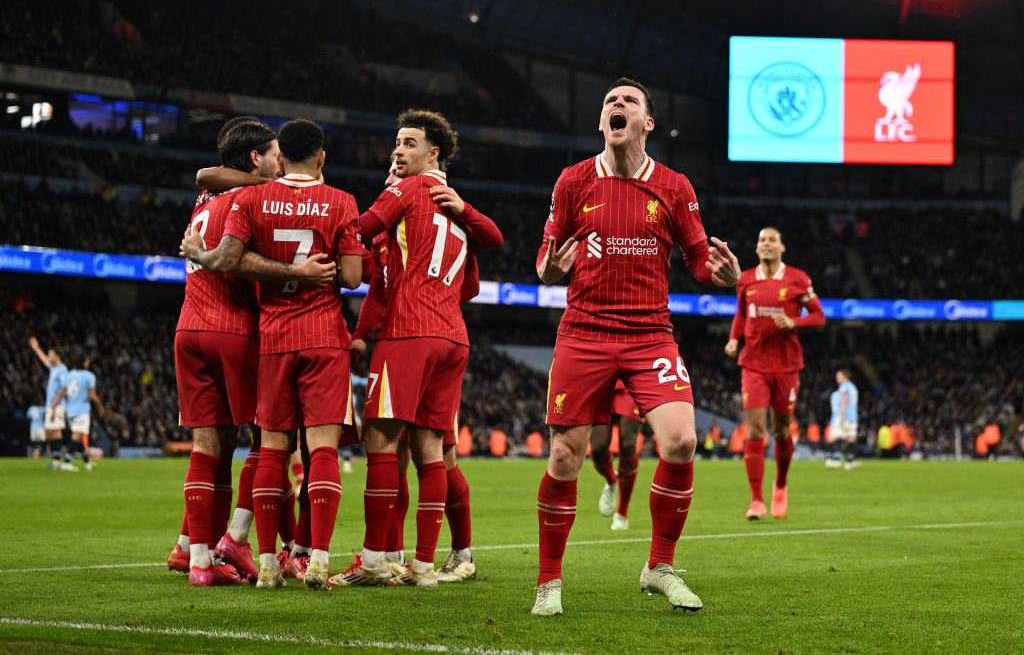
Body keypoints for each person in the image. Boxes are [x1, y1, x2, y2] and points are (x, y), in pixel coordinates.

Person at [531, 78, 740, 616]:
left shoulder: (673, 186)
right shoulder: (574, 181)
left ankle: (660, 566)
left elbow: (696, 260)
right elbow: (547, 260)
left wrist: (720, 276)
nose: (616, 106)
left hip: (650, 335)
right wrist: (551, 270)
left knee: (681, 443)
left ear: (647, 123)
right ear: (602, 124)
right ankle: (549, 582)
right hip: (584, 331)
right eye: (609, 102)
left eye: (628, 101)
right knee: (563, 455)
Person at [182, 117, 363, 590]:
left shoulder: (248, 198)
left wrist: (198, 255)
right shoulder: (342, 200)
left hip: (263, 335)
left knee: (263, 449)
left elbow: (229, 257)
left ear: (280, 158)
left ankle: (241, 560)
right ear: (321, 158)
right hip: (314, 334)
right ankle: (313, 558)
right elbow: (350, 277)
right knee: (317, 448)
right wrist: (310, 271)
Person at [334, 110, 501, 589]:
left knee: (383, 444)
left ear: (433, 153)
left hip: (409, 334)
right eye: (395, 144)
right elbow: (466, 277)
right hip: (452, 337)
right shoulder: (452, 210)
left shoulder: (407, 191)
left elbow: (361, 229)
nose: (397, 151)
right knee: (431, 449)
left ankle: (373, 561)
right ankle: (422, 565)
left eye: (408, 143)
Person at [724, 227, 825, 520]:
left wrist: (794, 322)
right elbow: (741, 314)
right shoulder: (744, 280)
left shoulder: (798, 278)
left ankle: (780, 484)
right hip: (753, 363)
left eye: (771, 240)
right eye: (761, 241)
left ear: (782, 247)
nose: (766, 244)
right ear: (757, 249)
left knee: (781, 429)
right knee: (755, 429)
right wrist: (734, 338)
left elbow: (818, 315)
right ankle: (756, 501)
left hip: (786, 365)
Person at [591, 380, 643, 531]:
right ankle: (612, 480)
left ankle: (622, 513)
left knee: (628, 444)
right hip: (601, 380)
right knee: (597, 448)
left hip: (630, 381)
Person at [50, 351, 104, 472]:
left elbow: (62, 393)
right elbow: (93, 395)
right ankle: (67, 462)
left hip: (70, 411)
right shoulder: (89, 376)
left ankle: (87, 462)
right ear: (84, 362)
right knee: (77, 436)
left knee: (78, 438)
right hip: (82, 410)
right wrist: (100, 406)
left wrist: (54, 405)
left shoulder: (68, 375)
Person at [28, 337, 69, 470]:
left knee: (55, 431)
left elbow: (64, 389)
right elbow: (45, 361)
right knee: (50, 432)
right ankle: (56, 460)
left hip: (57, 405)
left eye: (50, 354)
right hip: (51, 405)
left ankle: (59, 461)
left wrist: (55, 405)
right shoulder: (54, 368)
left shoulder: (62, 369)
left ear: (57, 356)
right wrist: (36, 349)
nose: (49, 356)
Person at [828, 370, 859, 469]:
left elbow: (845, 399)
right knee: (851, 437)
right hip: (853, 416)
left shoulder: (844, 386)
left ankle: (836, 459)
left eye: (839, 376)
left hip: (845, 415)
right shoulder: (853, 387)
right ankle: (850, 461)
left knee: (836, 436)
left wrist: (841, 414)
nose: (837, 378)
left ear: (845, 376)